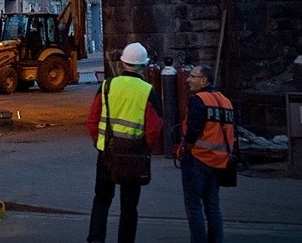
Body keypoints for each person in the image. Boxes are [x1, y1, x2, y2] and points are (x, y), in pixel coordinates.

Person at [86, 42, 163, 243]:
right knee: (129, 207)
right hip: (133, 156)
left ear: (122, 64)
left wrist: (100, 142)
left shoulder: (106, 86)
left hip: (106, 153)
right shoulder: (147, 91)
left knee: (101, 200)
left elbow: (92, 120)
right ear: (143, 66)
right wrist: (146, 148)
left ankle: (96, 239)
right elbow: (154, 127)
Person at [177, 64, 235, 243]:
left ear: (204, 80)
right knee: (212, 205)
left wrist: (184, 148)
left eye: (193, 76)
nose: (188, 79)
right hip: (220, 161)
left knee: (194, 205)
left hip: (198, 158)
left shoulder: (199, 100)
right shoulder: (225, 101)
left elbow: (193, 130)